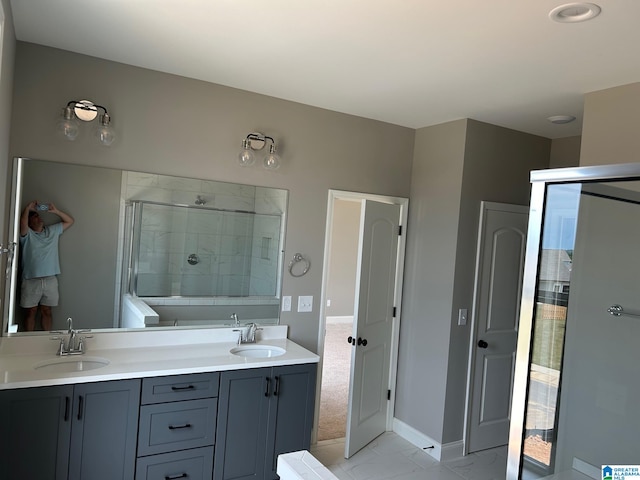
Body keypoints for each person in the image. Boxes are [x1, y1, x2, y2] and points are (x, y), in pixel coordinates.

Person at [19, 200, 74, 331]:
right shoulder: (27, 235)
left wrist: (56, 211)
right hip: (31, 280)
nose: (39, 218)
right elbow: (22, 223)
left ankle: (46, 338)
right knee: (31, 312)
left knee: (47, 311)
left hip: (50, 279)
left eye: (39, 215)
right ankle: (29, 342)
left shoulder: (52, 231)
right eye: (35, 217)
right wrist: (27, 208)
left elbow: (70, 221)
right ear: (30, 222)